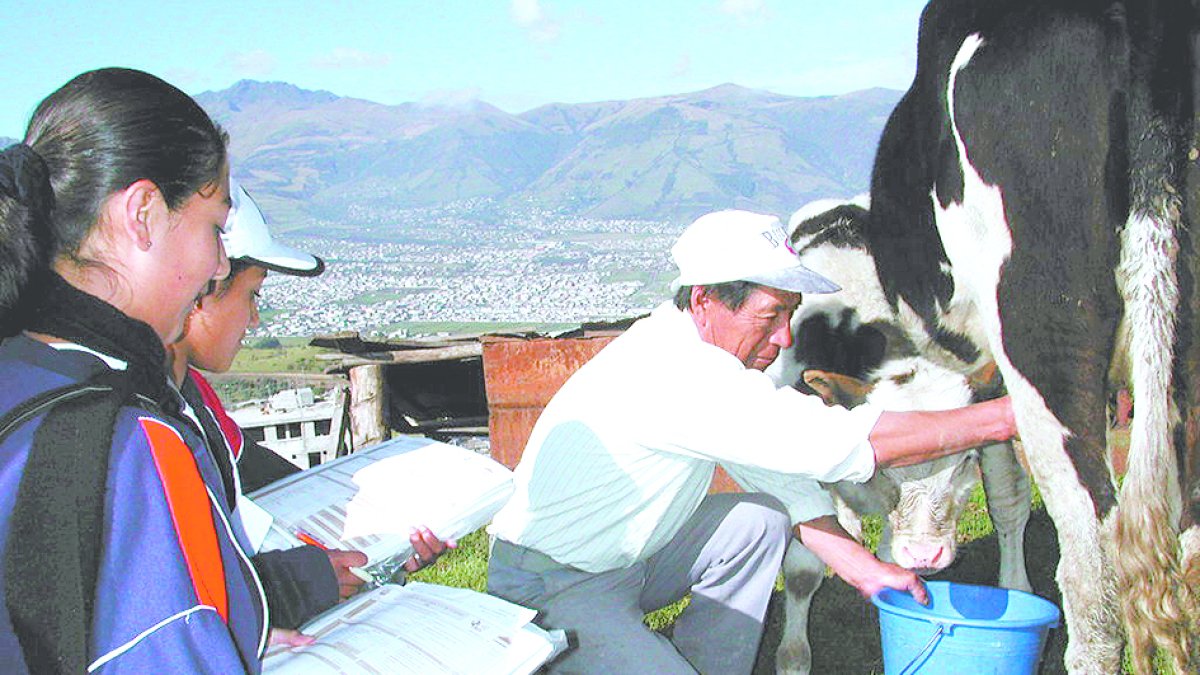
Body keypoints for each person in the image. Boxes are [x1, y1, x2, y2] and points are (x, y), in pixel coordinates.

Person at [486, 209, 1018, 673]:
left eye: (790, 313)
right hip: (550, 587)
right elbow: (844, 443)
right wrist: (1008, 417)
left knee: (759, 520)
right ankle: (558, 656)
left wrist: (859, 564)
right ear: (705, 300)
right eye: (770, 315)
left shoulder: (690, 349)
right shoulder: (677, 374)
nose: (785, 336)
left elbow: (775, 470)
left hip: (631, 556)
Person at [0, 69, 265, 672]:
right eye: (215, 228)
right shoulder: (129, 446)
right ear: (143, 212)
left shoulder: (19, 372)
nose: (219, 265)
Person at [165, 180, 453, 636]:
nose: (255, 318)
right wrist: (288, 587)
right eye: (252, 294)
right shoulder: (148, 419)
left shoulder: (191, 395)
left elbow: (276, 487)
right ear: (201, 290)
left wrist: (387, 541)